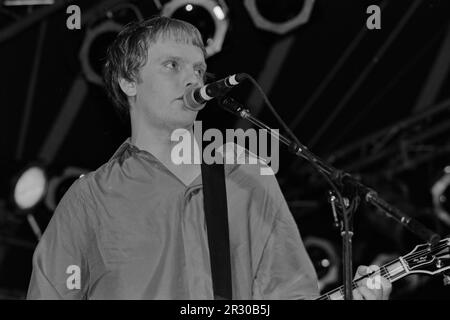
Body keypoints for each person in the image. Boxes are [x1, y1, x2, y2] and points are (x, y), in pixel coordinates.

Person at [26, 16, 391, 300]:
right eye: (172, 65)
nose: (192, 79)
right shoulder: (90, 200)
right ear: (128, 81)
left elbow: (290, 290)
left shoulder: (244, 173)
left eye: (199, 69)